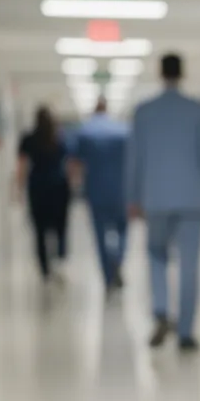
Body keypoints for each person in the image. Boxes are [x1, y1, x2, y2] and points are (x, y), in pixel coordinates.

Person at [126, 53, 200, 350]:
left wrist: (133, 196)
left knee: (156, 255)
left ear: (160, 73)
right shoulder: (197, 109)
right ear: (182, 73)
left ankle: (161, 311)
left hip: (155, 199)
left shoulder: (143, 111)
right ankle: (186, 333)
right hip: (192, 199)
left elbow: (135, 158)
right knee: (189, 265)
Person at [70, 96, 130, 292]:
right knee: (122, 230)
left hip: (96, 192)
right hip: (121, 191)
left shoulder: (84, 132)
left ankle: (108, 275)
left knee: (100, 234)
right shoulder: (123, 130)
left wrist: (74, 189)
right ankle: (117, 258)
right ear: (107, 109)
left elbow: (75, 165)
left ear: (95, 109)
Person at [16, 106, 71, 281]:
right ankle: (60, 260)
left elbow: (22, 166)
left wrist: (19, 189)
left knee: (40, 230)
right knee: (60, 228)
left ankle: (45, 269)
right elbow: (69, 164)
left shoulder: (29, 139)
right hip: (59, 188)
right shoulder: (59, 138)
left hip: (38, 188)